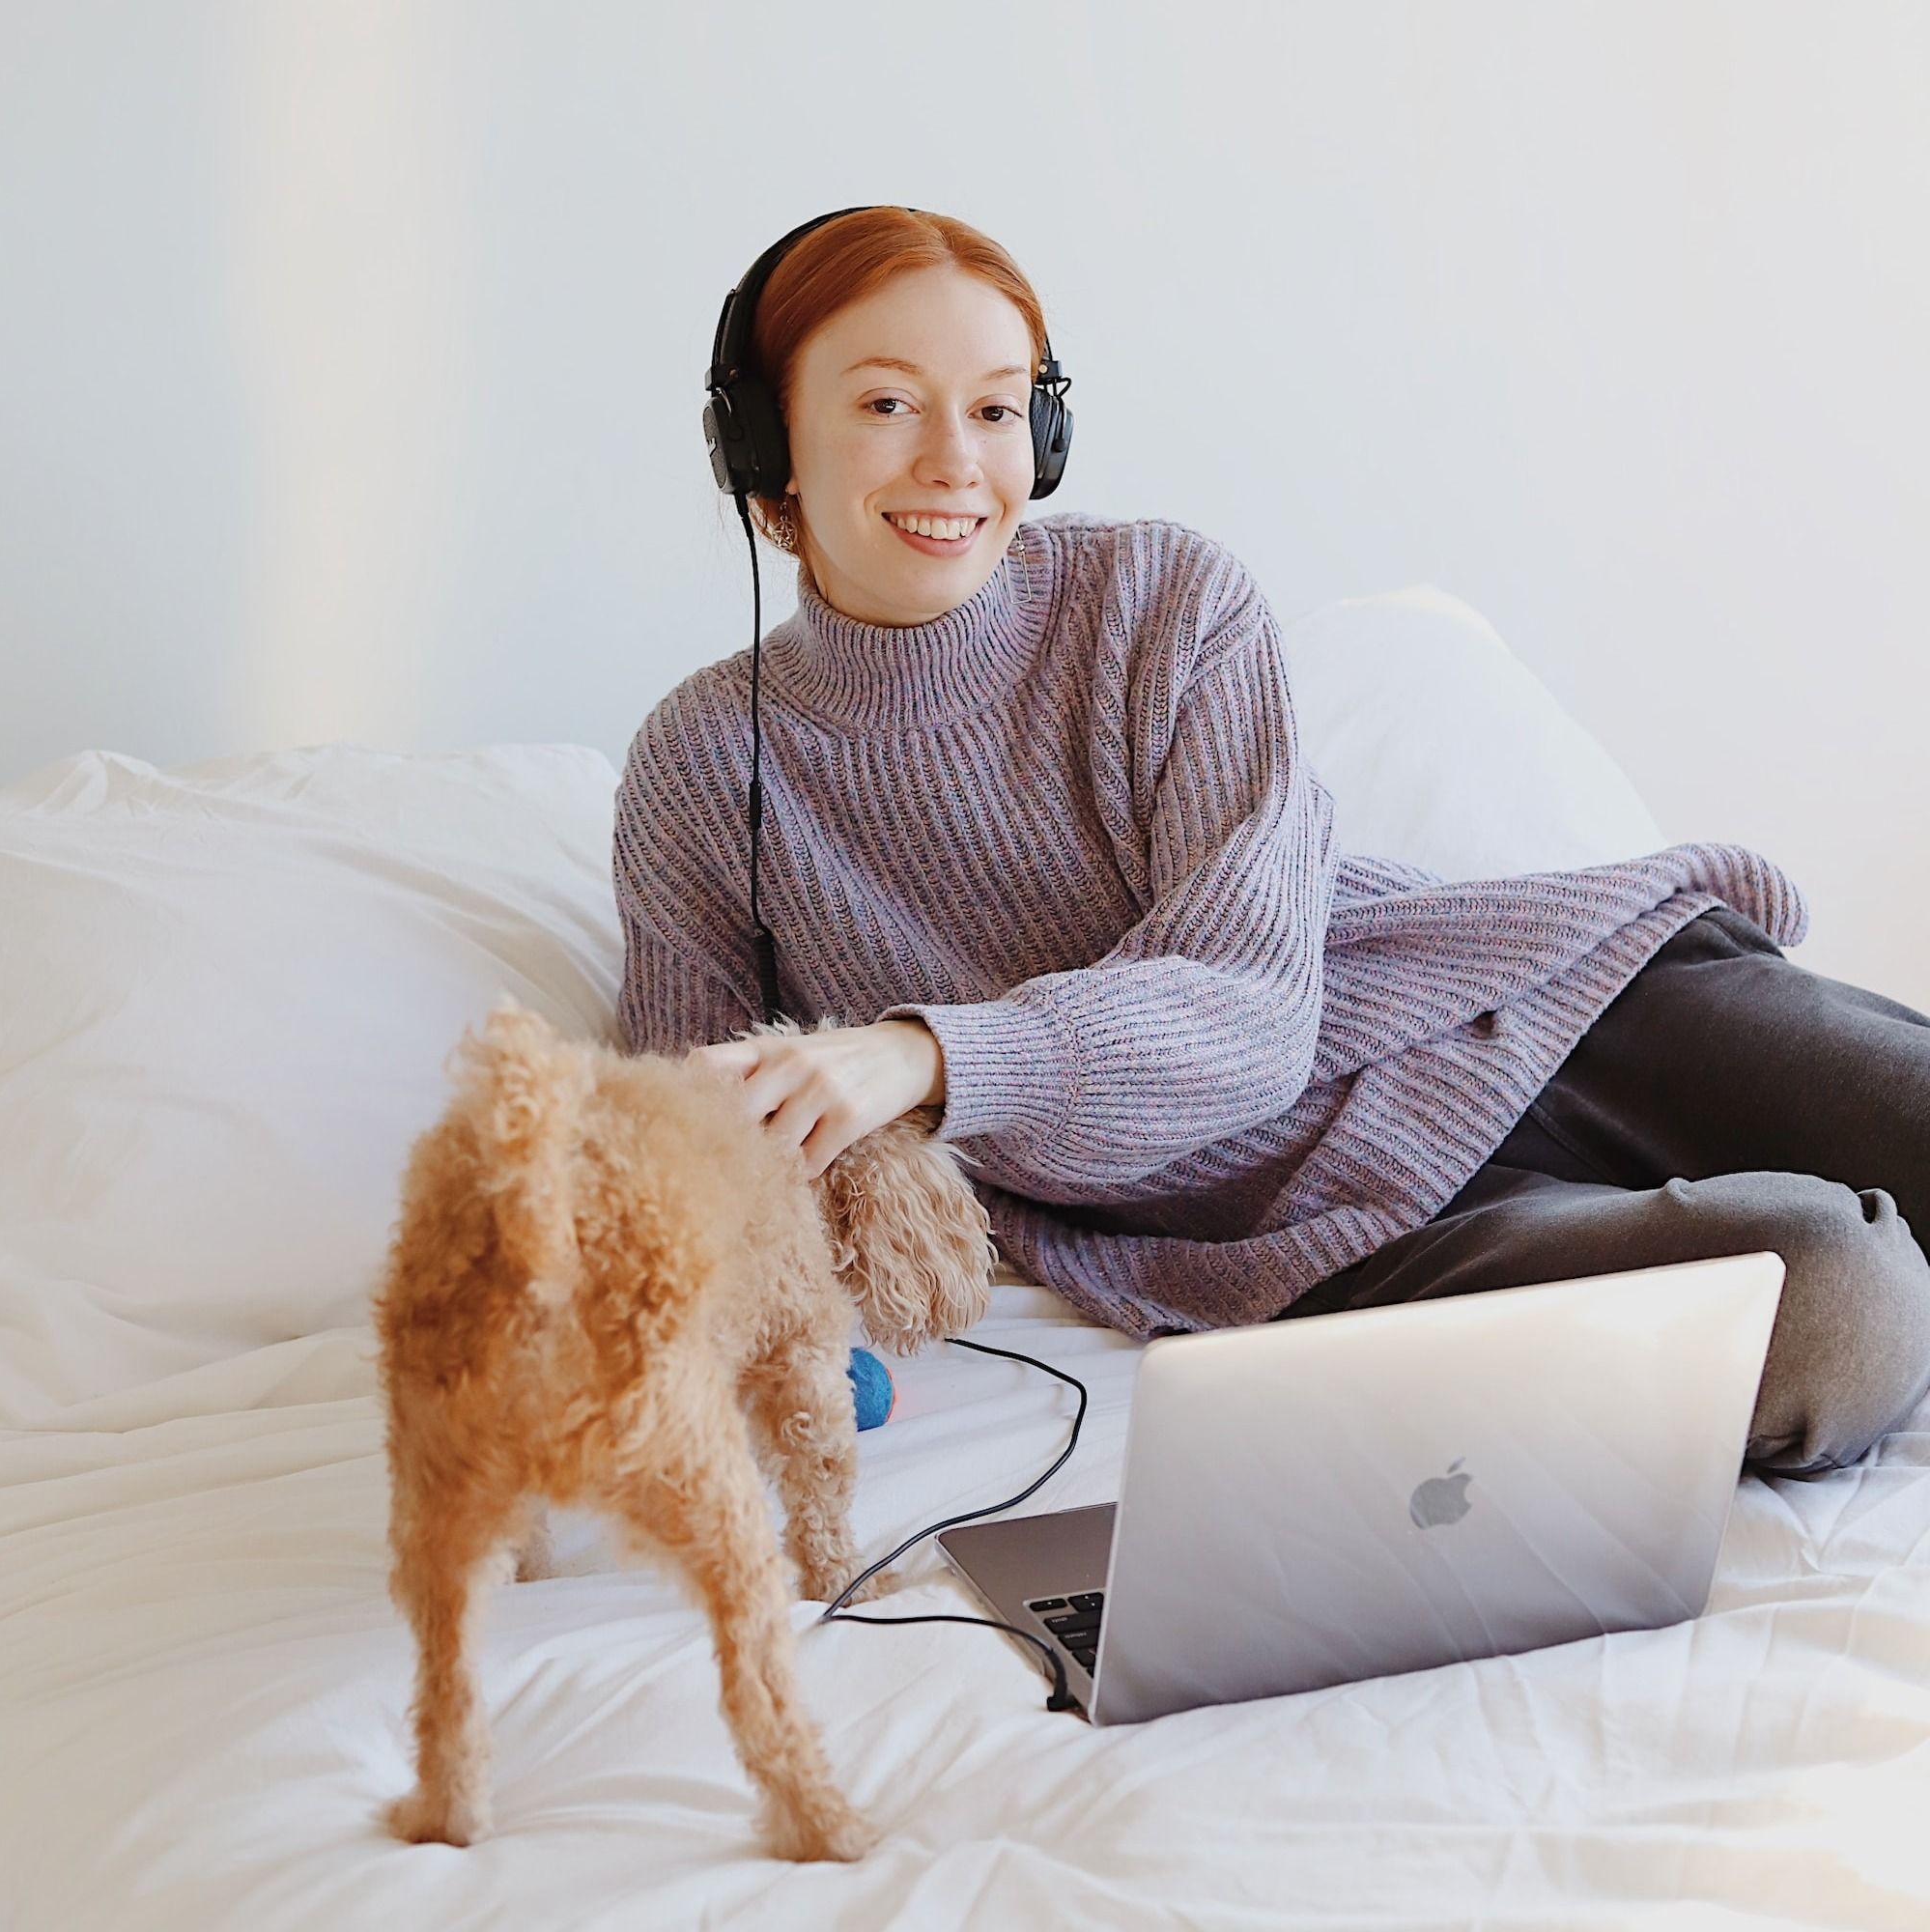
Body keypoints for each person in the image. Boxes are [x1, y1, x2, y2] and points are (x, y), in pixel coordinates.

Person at [614, 207, 1930, 1479]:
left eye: (1000, 408)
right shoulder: (699, 767)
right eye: (888, 403)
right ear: (765, 438)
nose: (957, 460)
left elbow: (1251, 1014)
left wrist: (932, 1054)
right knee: (1840, 1310)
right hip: (1304, 1245)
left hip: (1551, 1016)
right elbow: (697, 1150)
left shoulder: (1164, 601)